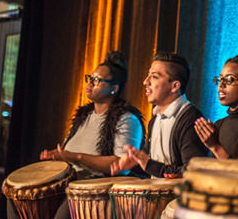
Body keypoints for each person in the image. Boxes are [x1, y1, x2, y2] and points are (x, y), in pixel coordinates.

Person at [8, 51, 145, 219]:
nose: (90, 83)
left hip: (91, 190)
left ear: (114, 89)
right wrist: (57, 157)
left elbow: (120, 165)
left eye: (97, 80)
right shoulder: (83, 117)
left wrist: (76, 157)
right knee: (15, 193)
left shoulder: (126, 119)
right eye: (90, 78)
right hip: (67, 184)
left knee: (67, 205)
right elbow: (67, 153)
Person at [111, 51, 208, 177]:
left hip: (179, 196)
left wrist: (147, 163)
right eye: (148, 75)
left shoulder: (191, 119)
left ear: (174, 86)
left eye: (154, 77)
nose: (145, 82)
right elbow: (153, 165)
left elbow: (194, 172)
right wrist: (135, 163)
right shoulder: (156, 117)